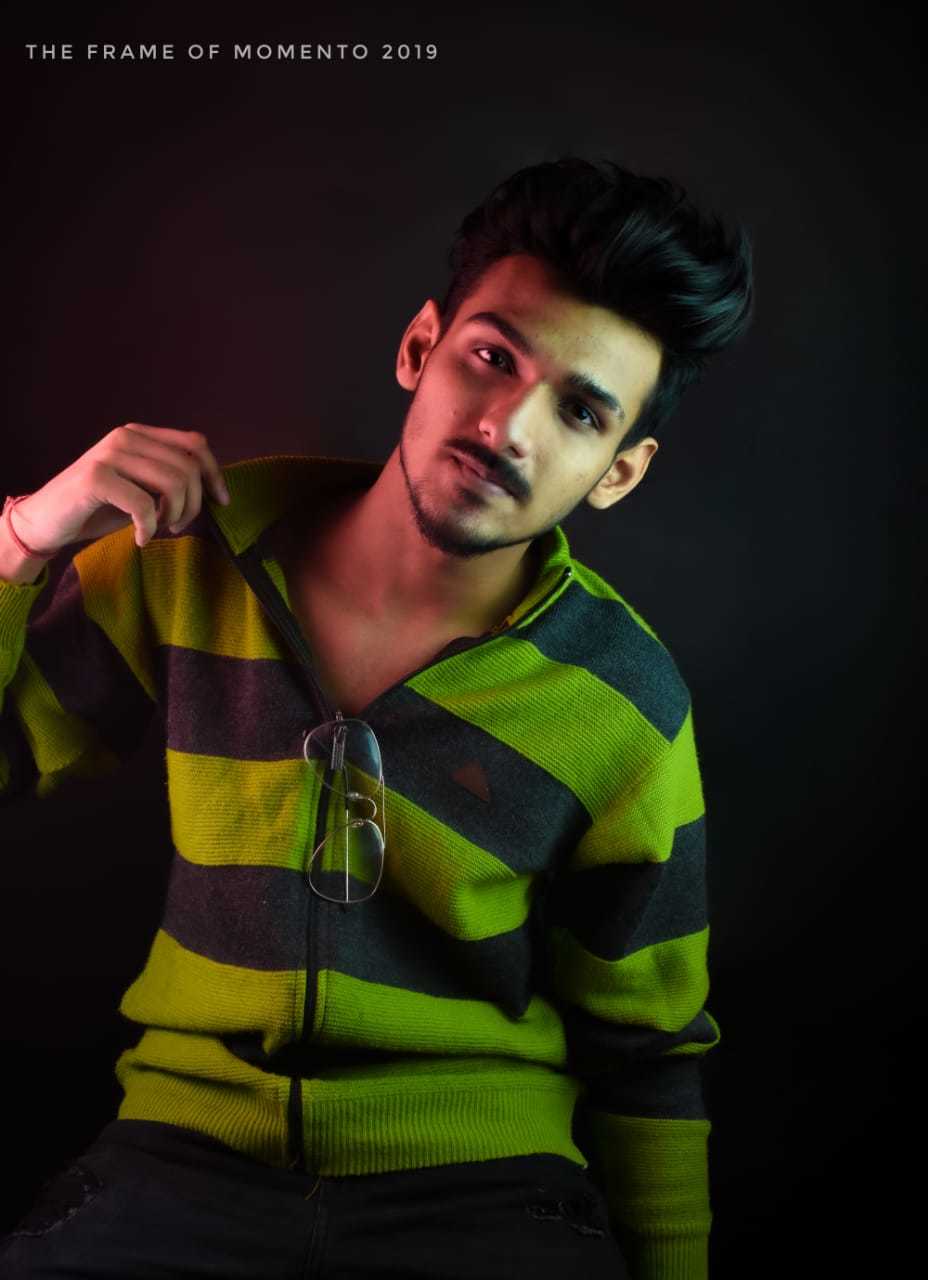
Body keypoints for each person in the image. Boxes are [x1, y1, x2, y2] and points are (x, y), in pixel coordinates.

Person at [0, 157, 754, 1279]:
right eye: (491, 357)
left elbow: (648, 1054)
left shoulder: (622, 699)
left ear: (618, 472)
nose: (507, 425)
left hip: (484, 1190)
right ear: (418, 347)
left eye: (580, 410)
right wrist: (23, 539)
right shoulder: (195, 552)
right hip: (182, 1163)